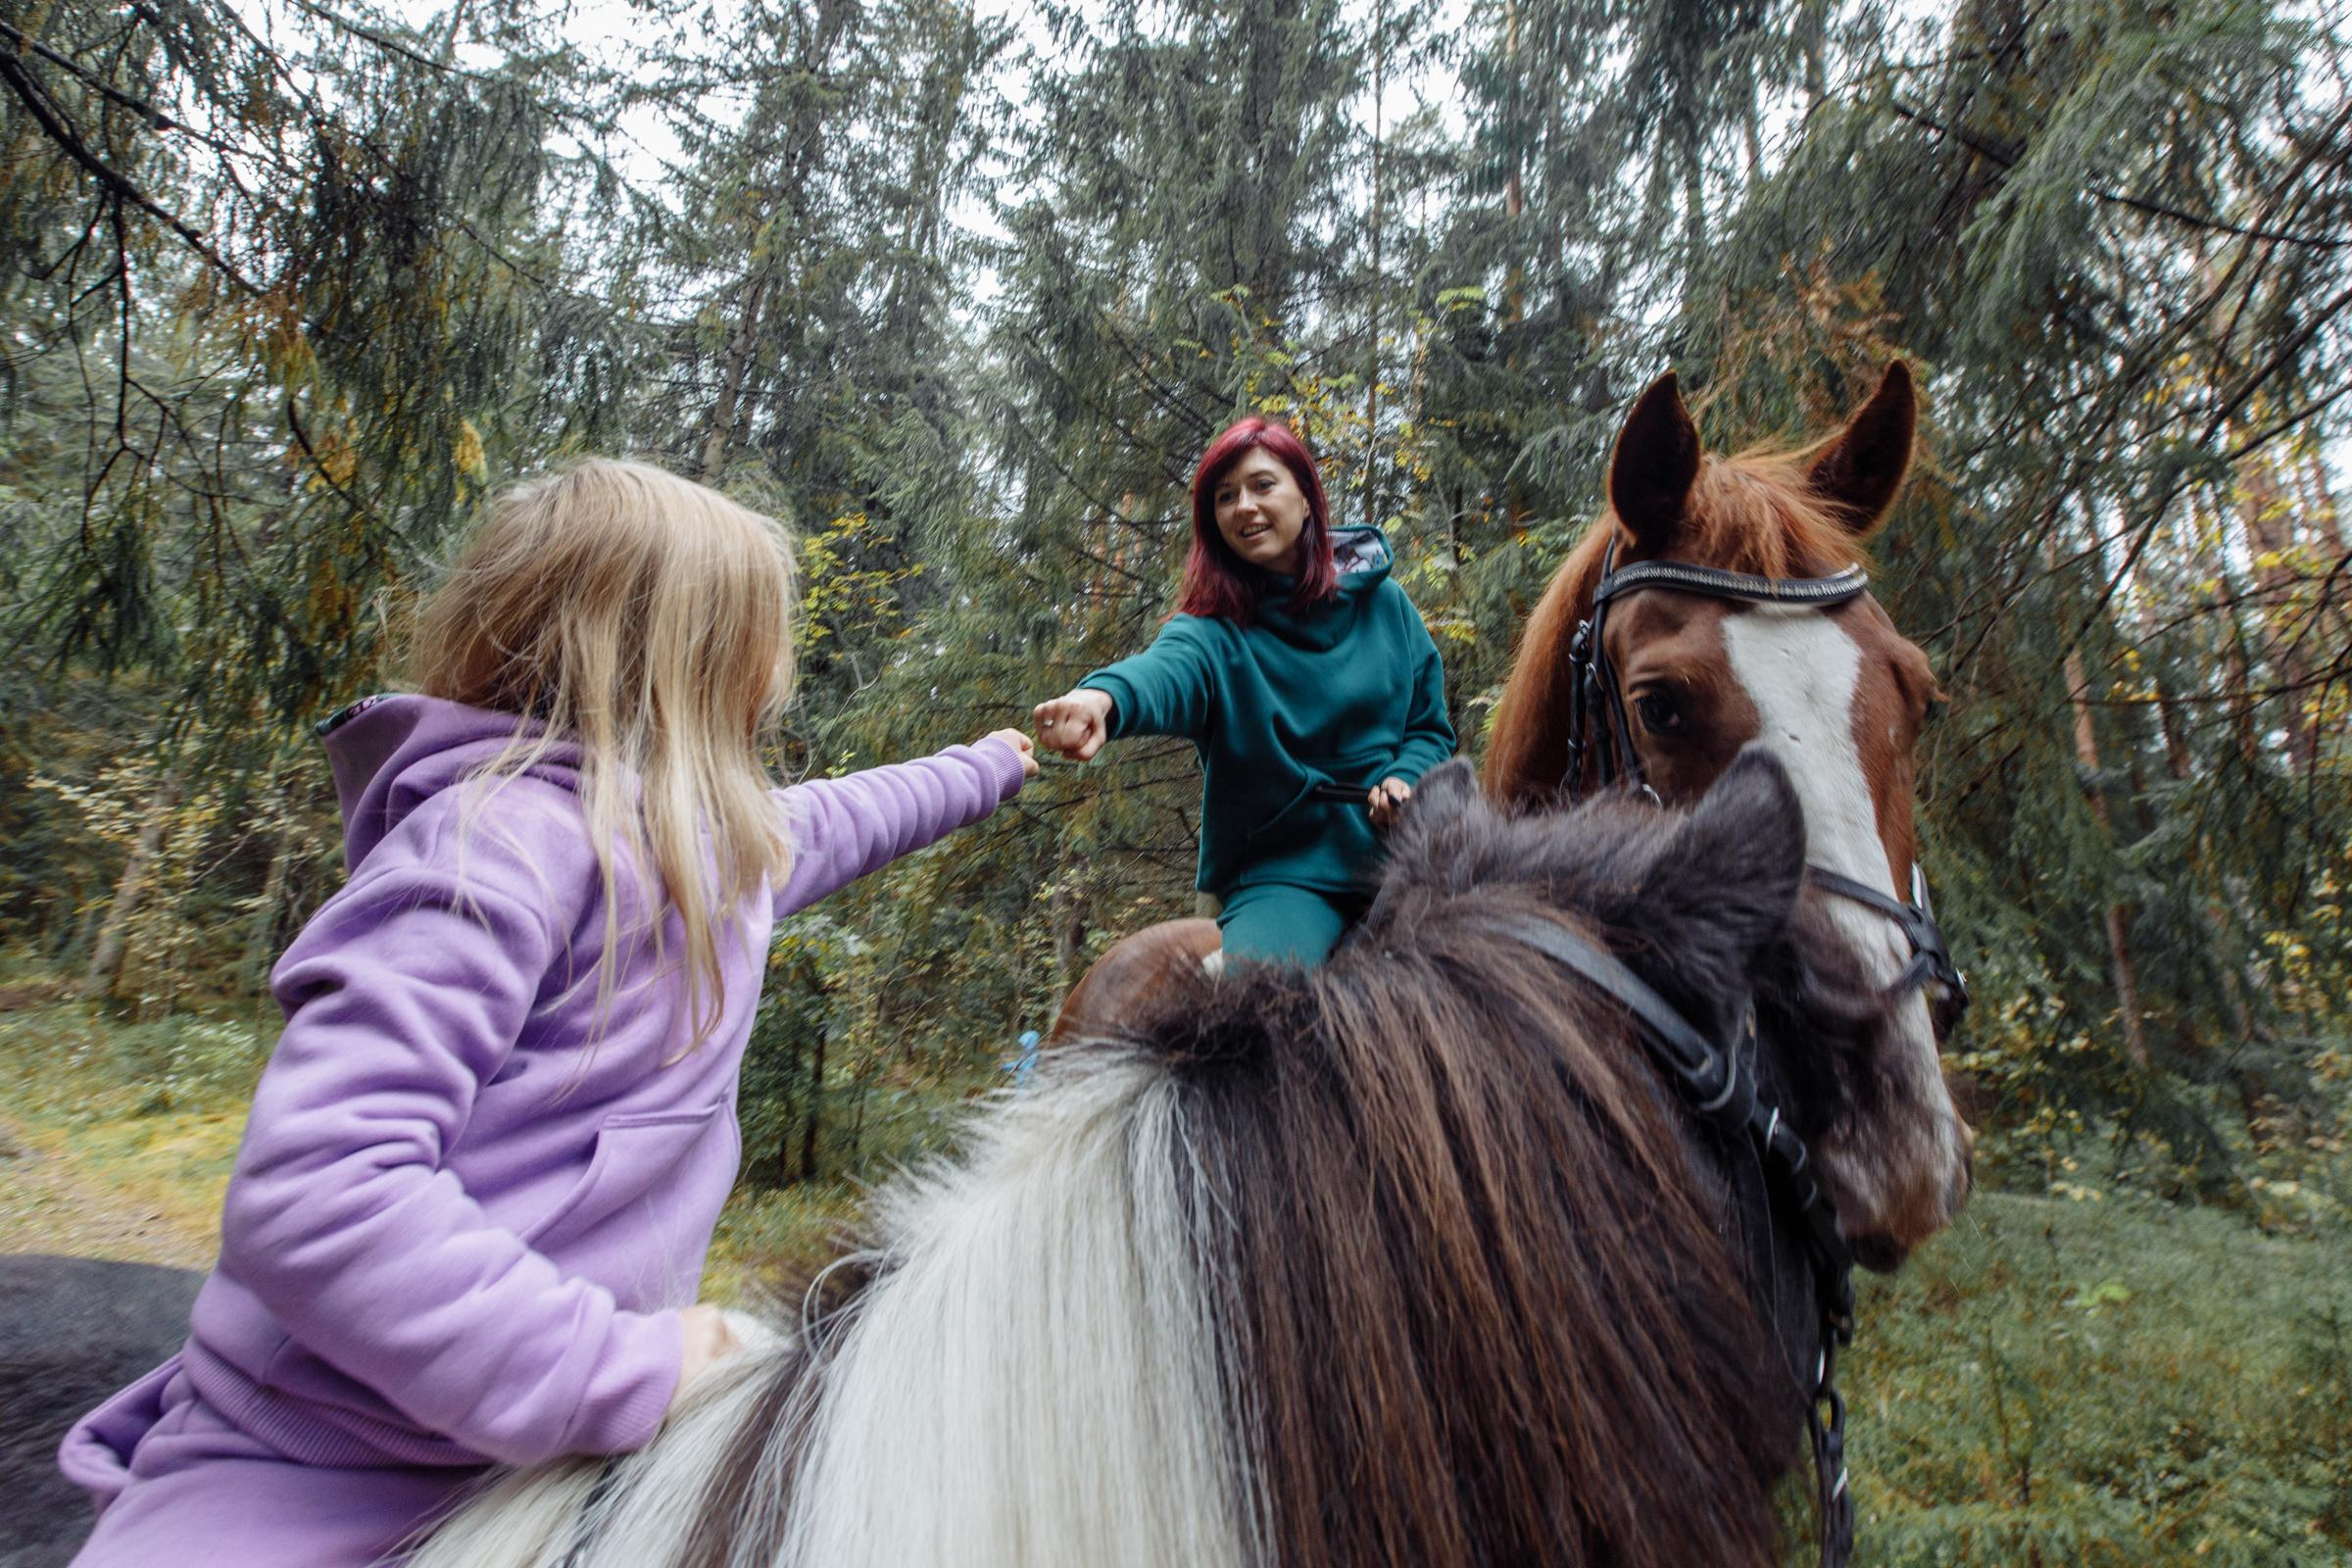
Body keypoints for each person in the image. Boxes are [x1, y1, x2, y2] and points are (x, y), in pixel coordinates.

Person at [57, 460, 1036, 1567]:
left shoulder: (718, 850)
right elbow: (317, 1194)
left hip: (544, 1455)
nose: (785, 670)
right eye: (770, 631)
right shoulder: (493, 846)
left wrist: (994, 761)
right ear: (694, 654)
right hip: (320, 1461)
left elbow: (861, 812)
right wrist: (632, 1370)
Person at [1031, 417, 1453, 967]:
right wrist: (1103, 701)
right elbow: (1165, 672)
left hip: (1411, 859)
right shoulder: (1212, 631)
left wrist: (1405, 780)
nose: (1243, 507)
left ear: (1306, 498)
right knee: (1261, 1009)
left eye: (1262, 485)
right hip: (1285, 877)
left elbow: (1428, 731)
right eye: (1225, 497)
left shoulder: (1388, 606)